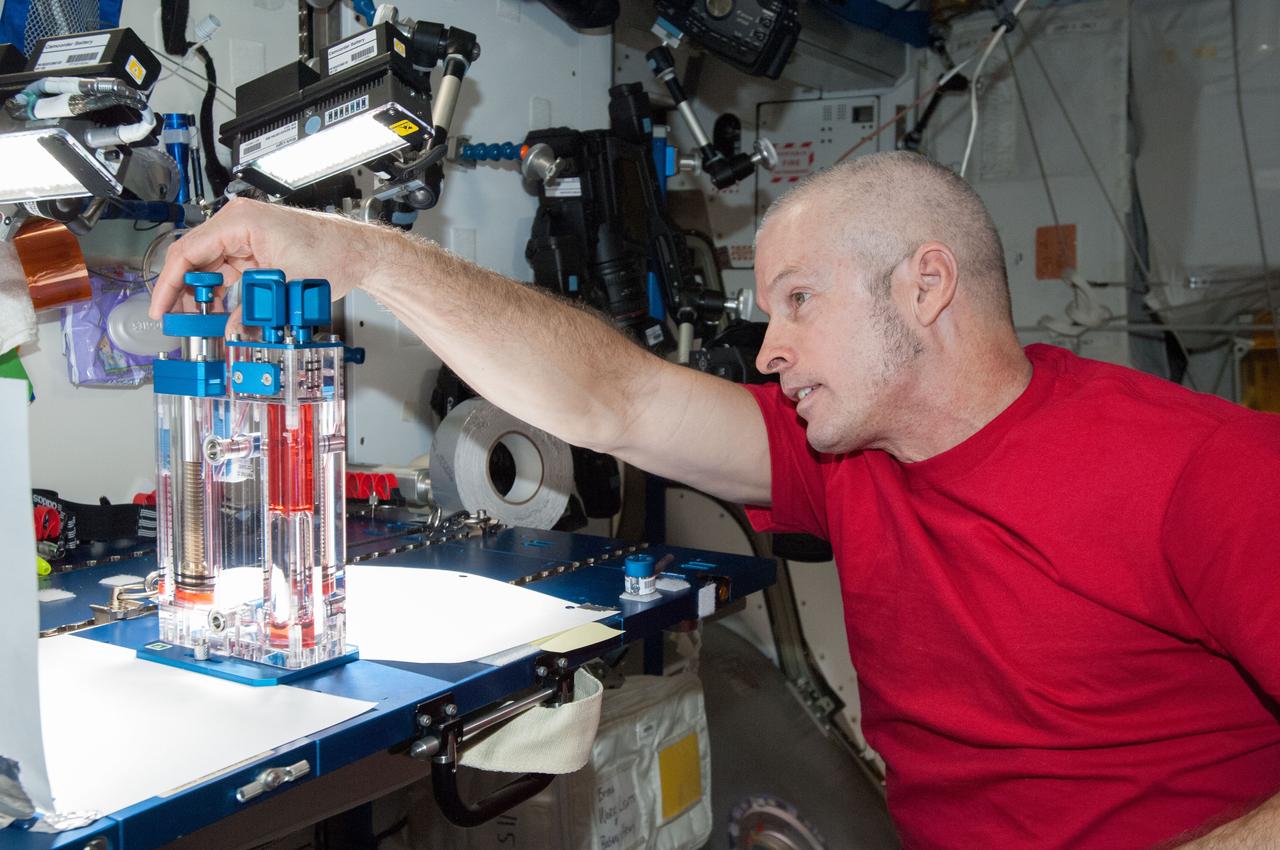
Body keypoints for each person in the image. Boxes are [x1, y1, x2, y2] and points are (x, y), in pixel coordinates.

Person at [150, 151, 1280, 849]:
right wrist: (361, 256)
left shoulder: (1203, 470)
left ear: (924, 286)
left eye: (796, 300)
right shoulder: (849, 457)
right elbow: (615, 397)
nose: (770, 347)